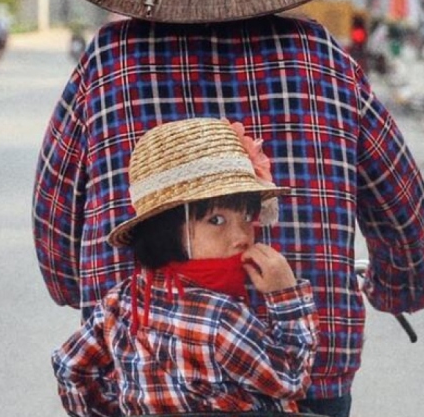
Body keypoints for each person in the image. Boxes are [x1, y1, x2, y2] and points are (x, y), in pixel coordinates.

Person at [33, 0, 424, 416]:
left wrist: (69, 286)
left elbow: (55, 204)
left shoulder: (110, 61)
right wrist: (397, 286)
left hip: (145, 373)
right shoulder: (321, 58)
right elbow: (400, 202)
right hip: (307, 371)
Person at [52, 118, 319, 416]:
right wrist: (286, 296)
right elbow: (289, 379)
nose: (241, 236)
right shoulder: (222, 317)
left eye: (246, 216)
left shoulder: (121, 301)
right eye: (216, 220)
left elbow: (70, 366)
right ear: (165, 228)